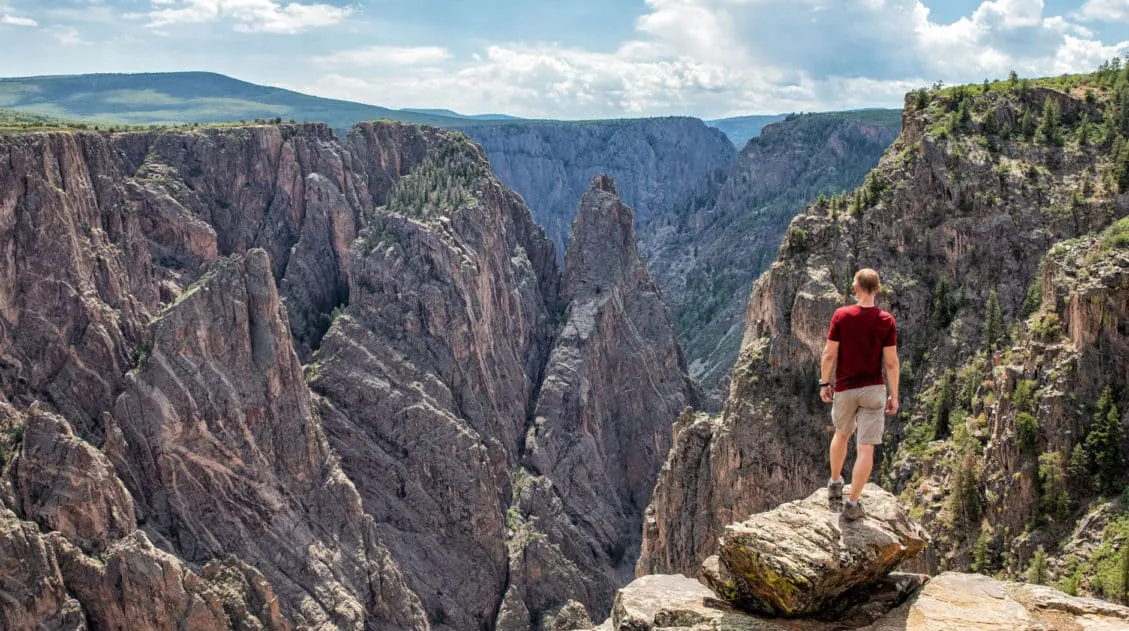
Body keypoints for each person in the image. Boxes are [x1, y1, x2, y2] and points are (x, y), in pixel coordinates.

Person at [819, 268, 899, 520]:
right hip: (874, 389)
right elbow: (891, 363)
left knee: (841, 435)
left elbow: (829, 354)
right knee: (866, 449)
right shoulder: (886, 321)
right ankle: (852, 504)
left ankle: (834, 483)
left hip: (845, 388)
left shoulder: (842, 316)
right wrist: (894, 395)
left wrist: (824, 383)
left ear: (856, 288)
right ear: (877, 289)